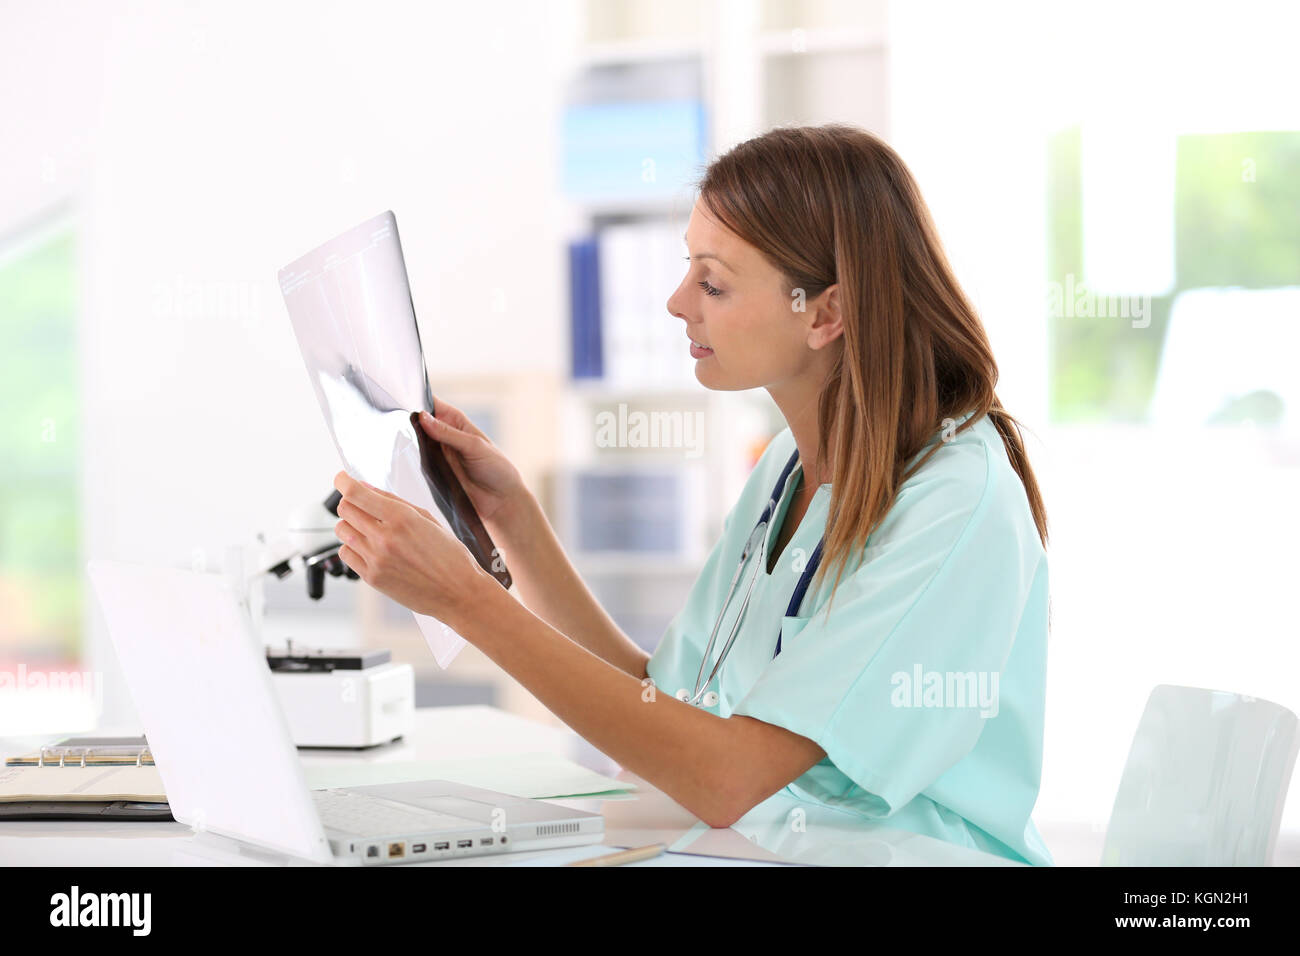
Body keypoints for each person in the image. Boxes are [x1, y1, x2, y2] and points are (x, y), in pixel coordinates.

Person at [331, 124, 1053, 866]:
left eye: (712, 282)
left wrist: (464, 602)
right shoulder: (786, 470)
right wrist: (511, 519)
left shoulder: (956, 499)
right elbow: (661, 702)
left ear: (826, 314)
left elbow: (726, 774)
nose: (679, 303)